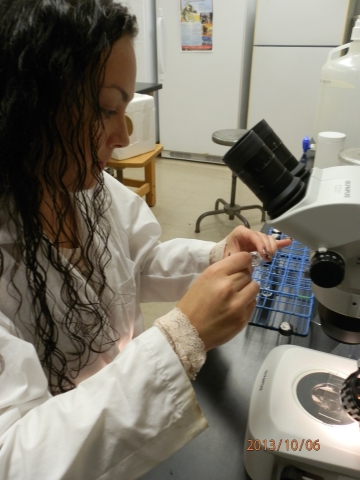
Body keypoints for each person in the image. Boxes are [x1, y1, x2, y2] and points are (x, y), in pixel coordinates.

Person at [0, 1, 291, 478]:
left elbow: (139, 261)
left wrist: (215, 256)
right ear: (29, 101)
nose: (123, 134)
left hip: (134, 434)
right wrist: (179, 341)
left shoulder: (89, 188)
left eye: (126, 107)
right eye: (104, 108)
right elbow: (15, 458)